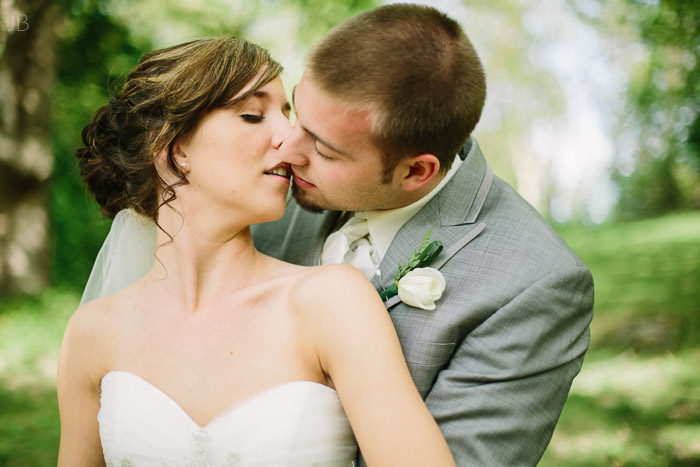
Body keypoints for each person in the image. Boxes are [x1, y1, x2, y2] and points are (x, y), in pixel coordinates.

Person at [80, 4, 594, 466]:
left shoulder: (534, 284)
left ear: (416, 171)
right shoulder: (255, 196)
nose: (288, 146)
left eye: (324, 150)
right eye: (294, 112)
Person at [57, 36, 456, 466]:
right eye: (253, 114)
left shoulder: (332, 302)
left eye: (288, 114)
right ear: (174, 149)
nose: (290, 139)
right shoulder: (93, 333)